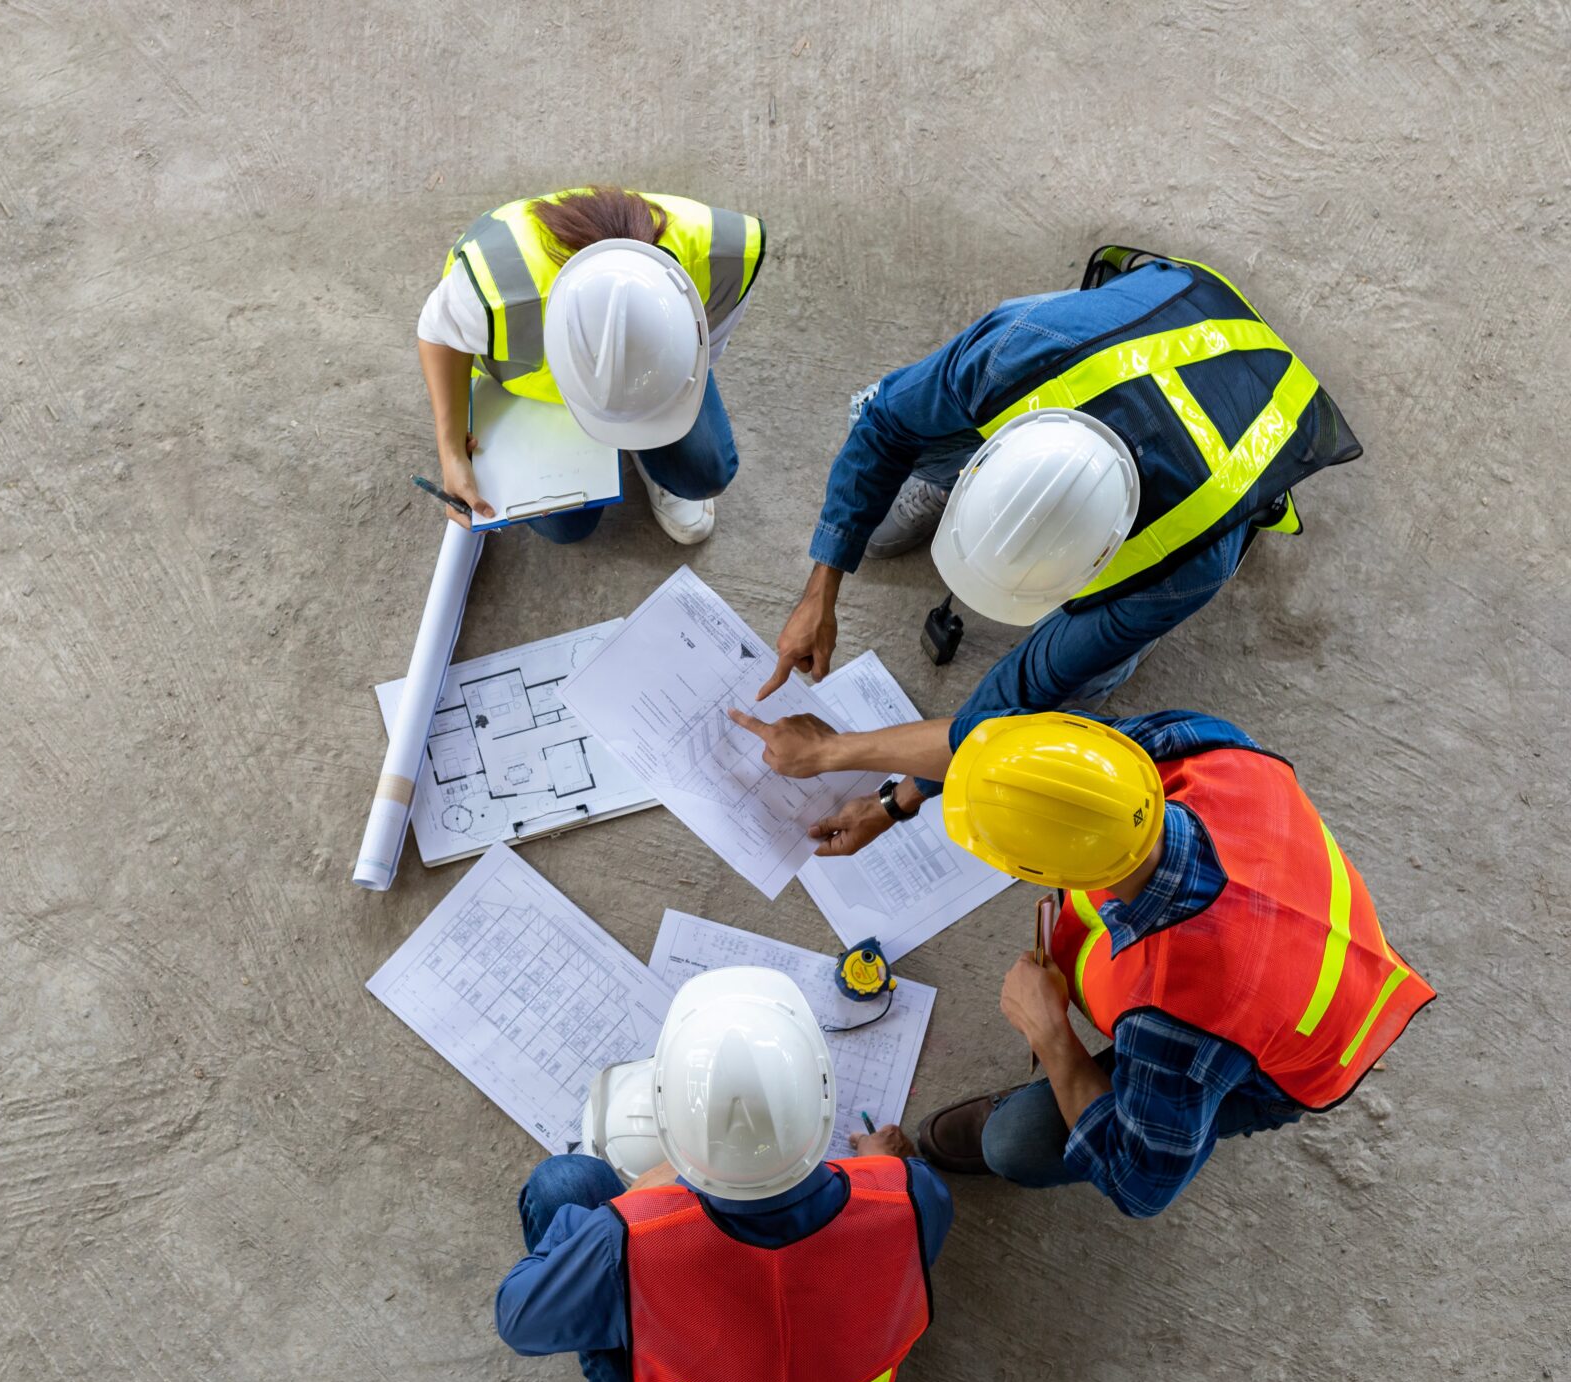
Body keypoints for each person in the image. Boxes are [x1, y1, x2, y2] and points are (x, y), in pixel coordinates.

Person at [753, 245, 1362, 856]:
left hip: (1235, 415)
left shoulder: (1180, 568)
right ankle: (946, 472)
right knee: (883, 404)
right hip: (1137, 332)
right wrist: (820, 588)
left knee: (1080, 680)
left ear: (1098, 558)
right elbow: (885, 427)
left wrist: (873, 785)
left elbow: (1006, 708)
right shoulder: (1018, 350)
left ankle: (1120, 644)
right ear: (993, 460)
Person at [728, 706, 1434, 1218]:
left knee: (1017, 1143)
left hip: (1297, 1049)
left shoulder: (1180, 1016)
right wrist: (892, 799)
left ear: (1036, 870)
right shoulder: (1185, 751)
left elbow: (1142, 1183)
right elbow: (1016, 764)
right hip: (1303, 938)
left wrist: (1054, 1039)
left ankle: (1054, 1102)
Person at [495, 967, 951, 1382]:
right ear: (822, 1101)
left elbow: (518, 1320)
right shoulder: (912, 1195)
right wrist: (879, 1168)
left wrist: (633, 1209)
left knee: (564, 1183)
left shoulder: (629, 1240)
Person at [419, 186, 764, 545]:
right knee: (565, 526)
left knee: (704, 473)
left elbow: (708, 352)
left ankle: (650, 450)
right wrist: (451, 452)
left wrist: (646, 397)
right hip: (528, 391)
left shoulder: (724, 259)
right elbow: (436, 332)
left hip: (651, 382)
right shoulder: (495, 295)